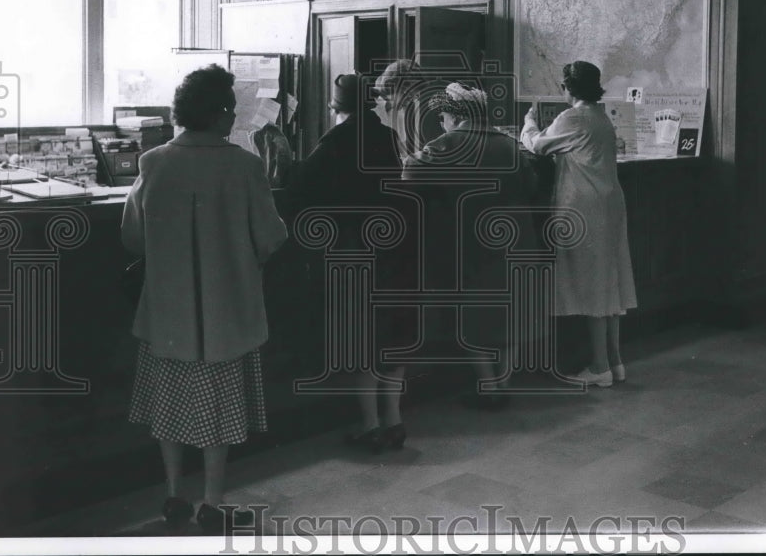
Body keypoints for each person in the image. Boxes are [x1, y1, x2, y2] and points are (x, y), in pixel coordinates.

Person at [121, 65, 288, 533]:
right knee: (220, 409)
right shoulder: (245, 165)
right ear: (217, 115)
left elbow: (132, 239)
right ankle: (213, 502)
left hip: (167, 312)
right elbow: (271, 237)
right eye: (231, 111)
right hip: (227, 311)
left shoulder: (152, 162)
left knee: (168, 405)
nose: (234, 119)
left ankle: (175, 494)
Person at [290, 73, 414, 452]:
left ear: (335, 107)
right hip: (392, 245)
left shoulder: (336, 140)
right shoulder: (388, 136)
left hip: (353, 247)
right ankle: (394, 421)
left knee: (363, 338)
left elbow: (300, 188)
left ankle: (370, 425)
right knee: (391, 337)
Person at [403, 82, 537, 409]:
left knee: (474, 314)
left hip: (474, 240)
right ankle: (504, 381)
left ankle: (489, 386)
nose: (441, 123)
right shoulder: (507, 144)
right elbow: (531, 182)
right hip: (517, 237)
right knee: (511, 314)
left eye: (443, 117)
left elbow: (409, 173)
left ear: (454, 115)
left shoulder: (450, 143)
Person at [520, 61, 637, 388]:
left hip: (584, 208)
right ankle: (615, 362)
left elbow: (538, 145)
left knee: (591, 284)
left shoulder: (572, 116)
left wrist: (529, 123)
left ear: (568, 88)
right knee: (608, 283)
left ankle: (599, 367)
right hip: (609, 204)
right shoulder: (599, 116)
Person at [372, 59, 442, 161]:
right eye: (408, 94)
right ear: (392, 85)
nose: (412, 101)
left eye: (415, 96)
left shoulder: (401, 113)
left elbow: (401, 153)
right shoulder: (368, 109)